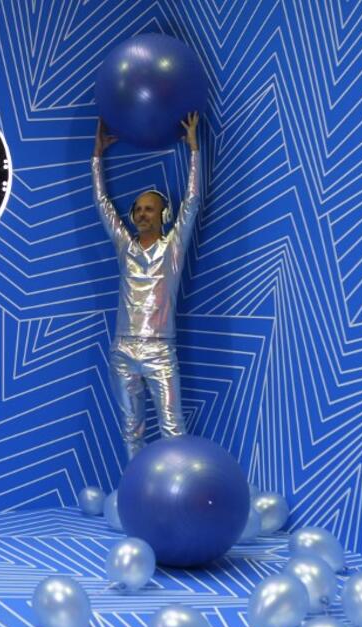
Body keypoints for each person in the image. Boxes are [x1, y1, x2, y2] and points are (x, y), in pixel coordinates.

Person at [92, 112, 201, 457]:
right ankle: (136, 501)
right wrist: (96, 158)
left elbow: (193, 201)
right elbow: (103, 204)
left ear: (163, 215)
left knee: (172, 429)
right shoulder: (125, 246)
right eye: (137, 209)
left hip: (159, 350)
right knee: (131, 431)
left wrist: (194, 151)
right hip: (122, 349)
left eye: (148, 209)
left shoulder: (172, 249)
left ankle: (180, 500)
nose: (140, 214)